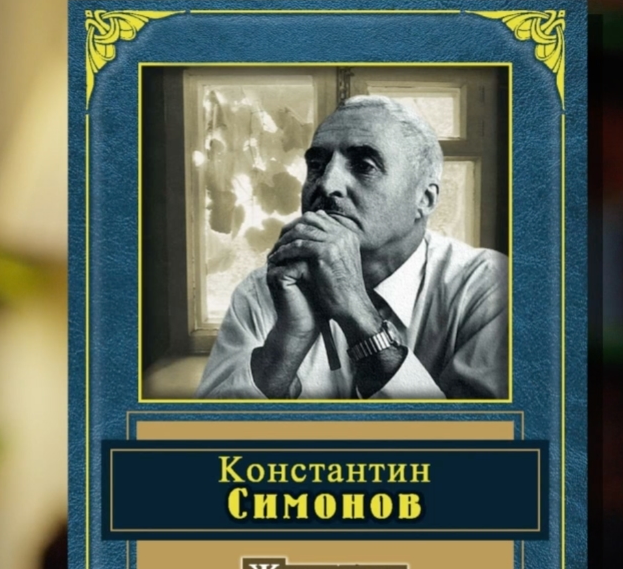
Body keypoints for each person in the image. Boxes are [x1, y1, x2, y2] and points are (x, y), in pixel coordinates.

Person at [195, 95, 508, 400]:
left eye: (364, 166)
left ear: (424, 199)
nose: (326, 184)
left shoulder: (491, 287)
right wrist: (288, 340)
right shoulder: (262, 291)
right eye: (317, 165)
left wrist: (359, 316)